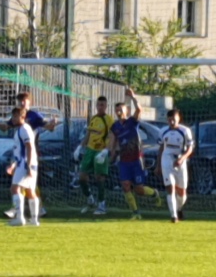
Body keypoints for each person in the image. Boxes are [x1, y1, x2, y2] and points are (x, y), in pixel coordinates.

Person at [0, 92, 55, 219]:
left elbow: (48, 127)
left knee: (21, 184)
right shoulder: (17, 116)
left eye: (24, 101)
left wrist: (53, 124)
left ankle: (20, 210)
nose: (22, 103)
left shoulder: (34, 116)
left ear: (29, 102)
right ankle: (34, 210)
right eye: (20, 101)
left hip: (29, 155)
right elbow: (4, 127)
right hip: (20, 154)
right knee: (25, 184)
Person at [109, 89, 162, 220]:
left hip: (136, 160)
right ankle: (135, 212)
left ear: (126, 111)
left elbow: (139, 109)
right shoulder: (115, 127)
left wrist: (133, 97)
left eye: (121, 109)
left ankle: (154, 193)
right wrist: (111, 155)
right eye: (116, 110)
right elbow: (113, 143)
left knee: (139, 190)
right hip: (124, 161)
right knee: (125, 186)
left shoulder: (132, 122)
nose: (118, 112)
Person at [74, 96, 114, 215]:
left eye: (102, 105)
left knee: (99, 178)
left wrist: (106, 150)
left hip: (101, 151)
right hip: (90, 150)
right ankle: (90, 199)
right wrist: (79, 147)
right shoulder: (93, 118)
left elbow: (112, 136)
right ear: (96, 106)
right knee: (82, 177)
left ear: (106, 106)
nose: (100, 107)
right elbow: (88, 134)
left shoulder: (109, 120)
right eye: (98, 105)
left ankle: (102, 205)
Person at [156, 109, 194, 223]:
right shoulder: (163, 131)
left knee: (182, 192)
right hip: (167, 161)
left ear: (179, 118)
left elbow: (190, 148)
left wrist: (182, 158)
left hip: (180, 162)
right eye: (169, 120)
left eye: (173, 119)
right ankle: (173, 216)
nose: (171, 122)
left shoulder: (185, 131)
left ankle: (178, 209)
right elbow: (161, 148)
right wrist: (158, 165)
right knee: (170, 188)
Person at [6, 108, 40, 227]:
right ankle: (34, 220)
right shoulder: (20, 130)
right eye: (13, 116)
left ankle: (20, 218)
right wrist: (13, 165)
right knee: (30, 191)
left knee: (14, 188)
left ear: (23, 117)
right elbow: (19, 151)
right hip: (25, 163)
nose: (13, 119)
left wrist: (28, 166)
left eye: (16, 116)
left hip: (25, 164)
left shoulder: (24, 129)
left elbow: (29, 147)